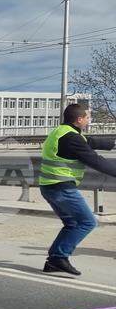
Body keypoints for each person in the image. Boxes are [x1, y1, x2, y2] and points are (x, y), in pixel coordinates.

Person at [38, 103, 116, 275]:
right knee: (88, 222)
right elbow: (95, 160)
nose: (89, 120)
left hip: (50, 186)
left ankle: (54, 261)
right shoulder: (72, 139)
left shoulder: (62, 132)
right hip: (61, 187)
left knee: (72, 223)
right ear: (79, 119)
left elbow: (89, 141)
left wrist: (113, 144)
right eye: (88, 117)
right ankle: (59, 257)